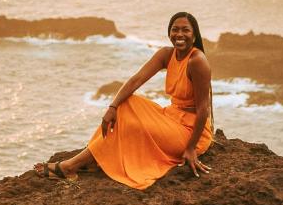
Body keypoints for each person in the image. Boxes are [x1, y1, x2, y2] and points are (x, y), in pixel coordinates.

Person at [35, 11, 213, 188]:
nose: (179, 35)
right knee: (127, 102)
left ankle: (70, 166)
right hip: (171, 116)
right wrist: (112, 107)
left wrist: (190, 149)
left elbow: (203, 109)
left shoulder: (197, 61)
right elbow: (136, 79)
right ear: (169, 33)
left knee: (128, 121)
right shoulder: (167, 54)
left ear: (194, 34)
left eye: (185, 30)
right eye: (175, 30)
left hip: (189, 131)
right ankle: (91, 158)